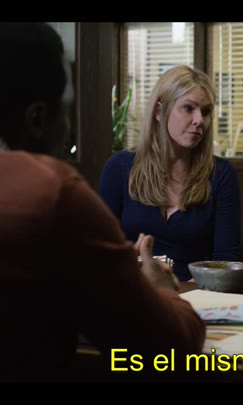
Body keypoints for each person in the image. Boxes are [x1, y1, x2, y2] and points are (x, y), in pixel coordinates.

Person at [0, 23, 205, 379]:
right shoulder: (53, 194)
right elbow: (168, 346)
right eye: (67, 111)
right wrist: (161, 291)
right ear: (38, 119)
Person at [99, 65, 243, 282]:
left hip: (198, 292)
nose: (199, 120)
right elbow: (101, 252)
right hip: (132, 289)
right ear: (159, 112)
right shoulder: (119, 168)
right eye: (188, 108)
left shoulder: (221, 175)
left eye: (206, 112)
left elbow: (225, 263)